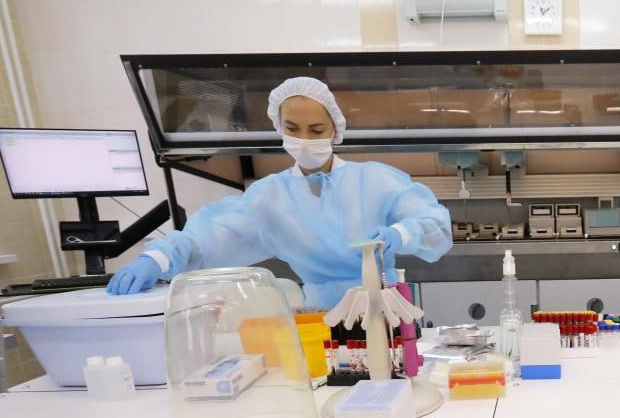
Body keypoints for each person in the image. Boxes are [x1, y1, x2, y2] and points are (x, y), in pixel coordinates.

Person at [106, 77, 452, 308]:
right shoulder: (269, 198)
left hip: (385, 311)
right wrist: (157, 259)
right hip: (319, 318)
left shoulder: (374, 180)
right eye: (293, 129)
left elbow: (435, 224)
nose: (305, 139)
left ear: (335, 130)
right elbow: (206, 239)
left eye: (316, 129)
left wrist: (401, 233)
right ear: (279, 128)